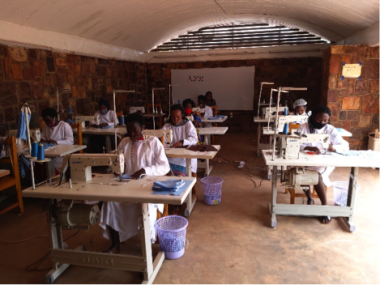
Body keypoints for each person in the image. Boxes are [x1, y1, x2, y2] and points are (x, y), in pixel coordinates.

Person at [99, 112, 170, 254]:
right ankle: (115, 244)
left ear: (143, 127)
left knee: (146, 206)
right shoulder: (124, 143)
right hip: (127, 186)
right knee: (110, 202)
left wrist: (145, 170)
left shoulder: (153, 142)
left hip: (148, 187)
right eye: (129, 131)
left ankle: (147, 251)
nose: (132, 134)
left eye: (135, 130)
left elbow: (165, 166)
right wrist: (116, 170)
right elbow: (117, 164)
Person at [297, 105, 349, 224]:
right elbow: (295, 142)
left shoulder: (330, 130)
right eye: (319, 120)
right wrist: (307, 146)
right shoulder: (303, 127)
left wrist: (333, 148)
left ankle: (325, 208)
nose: (322, 122)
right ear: (313, 117)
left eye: (325, 120)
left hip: (323, 161)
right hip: (305, 159)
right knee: (301, 172)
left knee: (316, 175)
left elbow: (345, 145)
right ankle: (310, 198)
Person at [162, 104, 198, 177]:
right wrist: (169, 145)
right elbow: (162, 140)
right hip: (171, 157)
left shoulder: (188, 124)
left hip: (185, 158)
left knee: (180, 177)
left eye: (178, 117)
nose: (175, 119)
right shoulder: (167, 126)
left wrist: (182, 142)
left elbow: (194, 139)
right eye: (173, 117)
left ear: (182, 115)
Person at [40, 108, 73, 172]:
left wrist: (56, 142)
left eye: (49, 120)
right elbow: (43, 139)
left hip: (62, 155)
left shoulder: (64, 126)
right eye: (45, 121)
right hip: (50, 154)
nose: (47, 123)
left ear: (54, 118)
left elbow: (70, 141)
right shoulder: (46, 127)